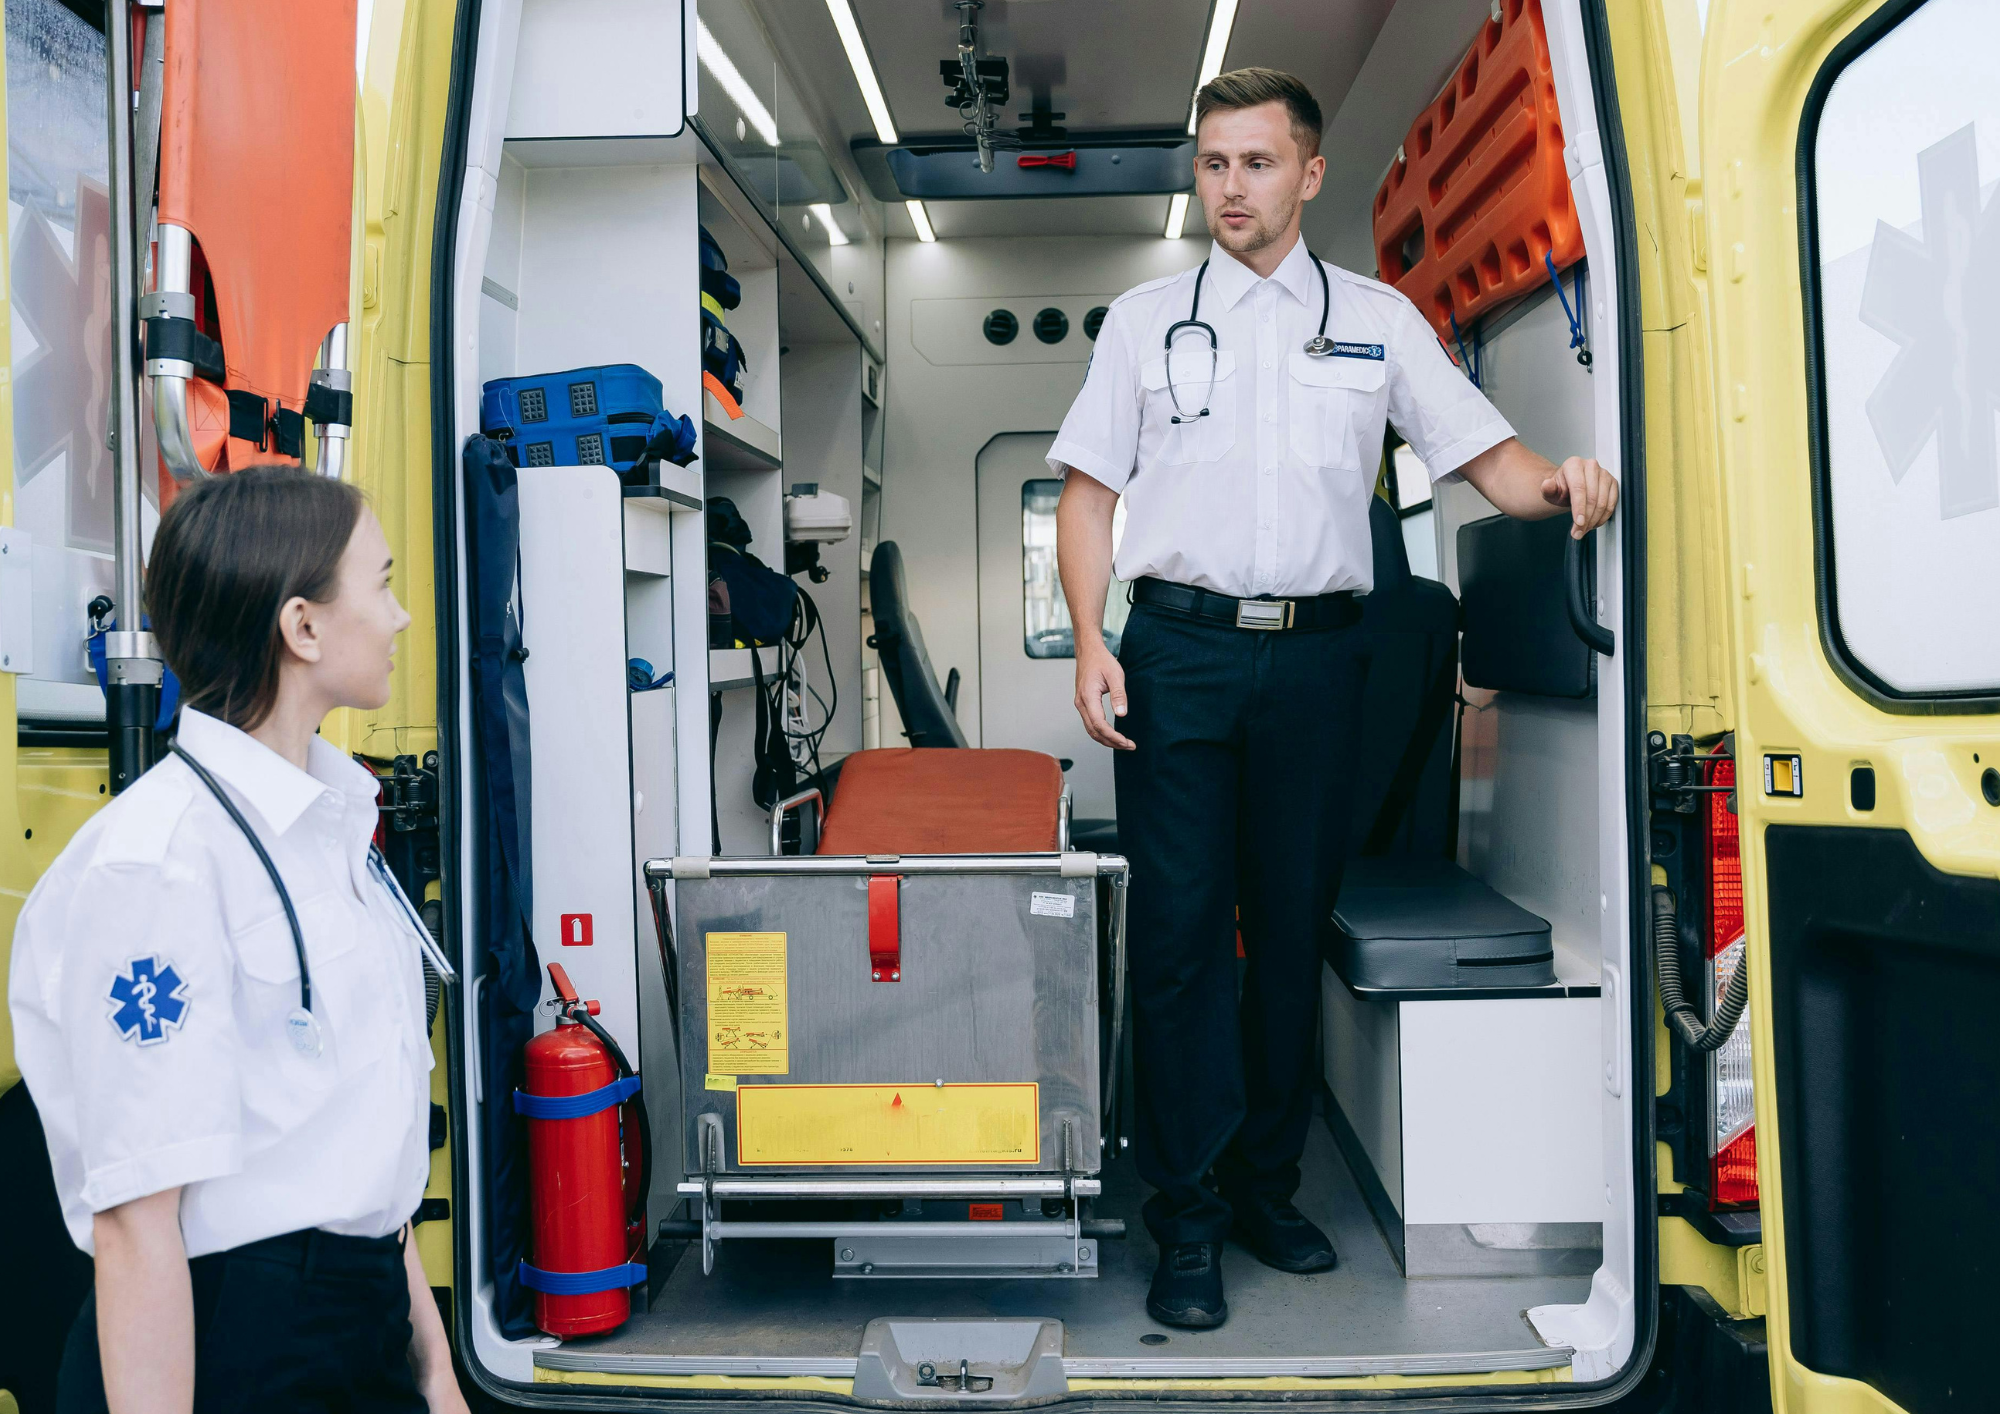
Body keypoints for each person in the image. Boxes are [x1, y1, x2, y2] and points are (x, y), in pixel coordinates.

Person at [1050, 68, 1619, 1328]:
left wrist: (1565, 482)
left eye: (1255, 163)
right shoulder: (1144, 323)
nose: (1229, 187)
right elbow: (1087, 495)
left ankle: (1265, 1183)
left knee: (1289, 925)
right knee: (1184, 937)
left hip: (1317, 663)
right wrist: (1093, 639)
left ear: (1308, 174)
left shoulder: (1377, 320)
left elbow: (1483, 454)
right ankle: (1186, 1217)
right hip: (1177, 655)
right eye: (1212, 164)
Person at [9, 466, 470, 1412]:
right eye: (380, 585)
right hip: (228, 1347)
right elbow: (139, 1228)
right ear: (302, 627)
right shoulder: (156, 868)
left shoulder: (335, 828)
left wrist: (438, 1379)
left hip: (362, 1323)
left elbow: (357, 1160)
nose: (400, 619)